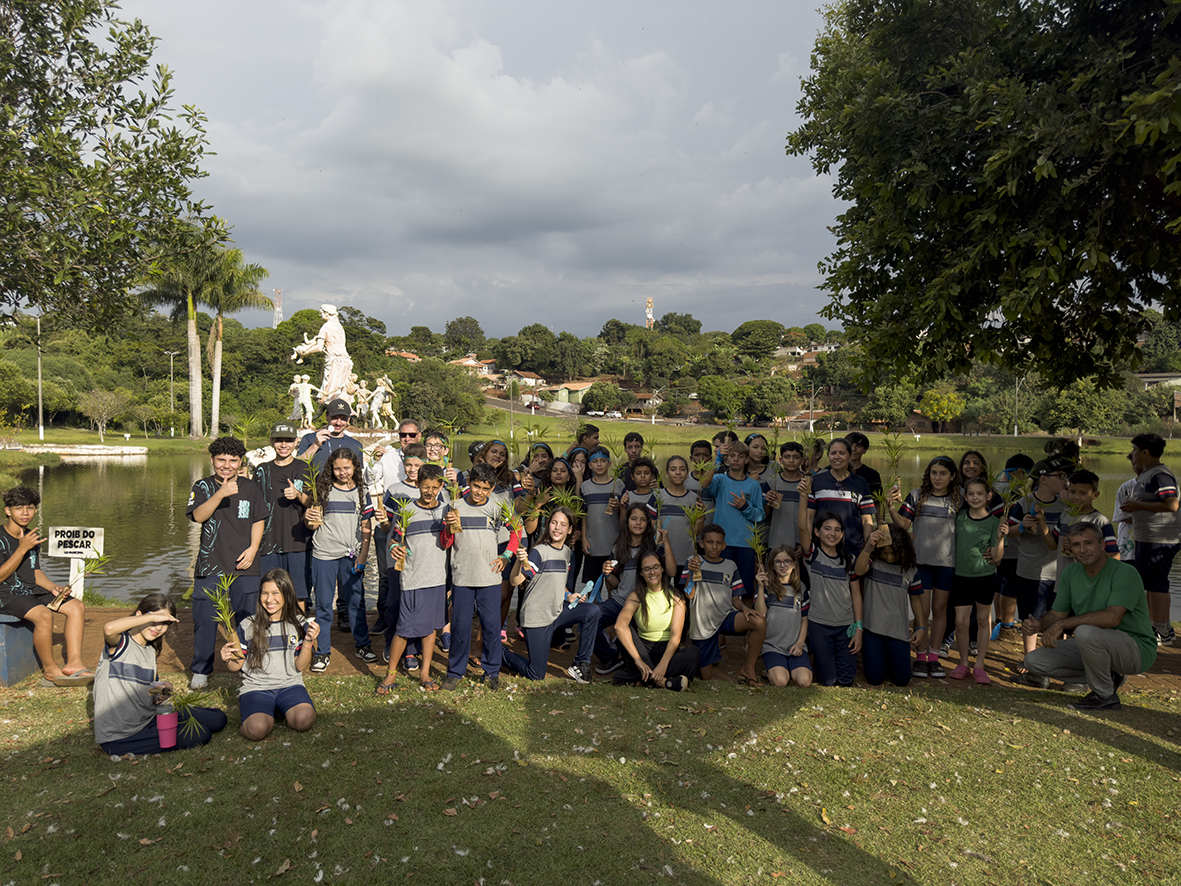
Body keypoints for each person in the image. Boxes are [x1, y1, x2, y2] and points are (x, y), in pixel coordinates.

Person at [1022, 522, 1158, 711]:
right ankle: (1110, 677)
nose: (1083, 549)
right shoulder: (1071, 572)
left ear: (1102, 544)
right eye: (1076, 545)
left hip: (1136, 649)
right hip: (1096, 643)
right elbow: (1057, 613)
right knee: (1034, 661)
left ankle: (1104, 696)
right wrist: (1039, 624)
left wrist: (1062, 624)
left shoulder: (1125, 572)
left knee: (1084, 631)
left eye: (1088, 543)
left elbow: (1112, 618)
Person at [95, 593, 227, 755]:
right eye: (155, 621)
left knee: (218, 718)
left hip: (149, 718)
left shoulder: (150, 650)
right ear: (139, 616)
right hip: (121, 736)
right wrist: (152, 616)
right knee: (201, 734)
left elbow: (148, 692)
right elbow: (109, 629)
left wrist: (162, 690)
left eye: (164, 623)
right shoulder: (121, 643)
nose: (158, 627)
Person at [186, 436, 265, 690]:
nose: (227, 465)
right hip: (211, 564)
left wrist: (253, 549)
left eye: (233, 460)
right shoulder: (202, 487)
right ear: (212, 460)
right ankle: (201, 669)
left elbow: (258, 519)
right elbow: (198, 516)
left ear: (240, 461)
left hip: (245, 564)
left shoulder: (251, 487)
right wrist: (221, 493)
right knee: (205, 618)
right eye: (222, 460)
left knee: (249, 619)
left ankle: (249, 666)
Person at [0, 486, 91, 686]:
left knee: (77, 607)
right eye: (19, 508)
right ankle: (50, 671)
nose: (25, 513)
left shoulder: (31, 537)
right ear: (8, 511)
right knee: (44, 615)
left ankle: (74, 664)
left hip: (30, 589)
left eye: (30, 508)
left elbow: (35, 573)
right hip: (6, 593)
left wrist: (52, 587)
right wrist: (22, 548)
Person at [441, 462, 519, 691]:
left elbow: (517, 530)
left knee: (492, 627)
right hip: (463, 577)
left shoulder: (498, 505)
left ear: (492, 488)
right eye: (476, 487)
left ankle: (492, 671)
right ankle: (455, 671)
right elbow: (446, 541)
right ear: (468, 483)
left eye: (485, 489)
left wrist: (506, 555)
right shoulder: (454, 506)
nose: (479, 492)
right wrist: (447, 527)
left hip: (490, 578)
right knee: (460, 627)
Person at [500, 508, 600, 683]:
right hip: (536, 617)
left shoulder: (567, 552)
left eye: (563, 524)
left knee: (592, 611)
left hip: (557, 612)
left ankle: (581, 665)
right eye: (554, 522)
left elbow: (557, 582)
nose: (557, 528)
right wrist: (518, 560)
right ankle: (498, 652)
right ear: (548, 525)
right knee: (536, 674)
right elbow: (516, 581)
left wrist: (569, 595)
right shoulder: (539, 552)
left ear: (570, 530)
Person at [221, 568, 318, 740]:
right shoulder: (247, 625)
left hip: (290, 684)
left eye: (275, 593)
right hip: (257, 687)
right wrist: (228, 658)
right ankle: (264, 712)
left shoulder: (299, 623)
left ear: (287, 594)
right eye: (264, 593)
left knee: (303, 720)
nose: (269, 599)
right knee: (256, 730)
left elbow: (300, 665)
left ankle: (280, 708)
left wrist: (309, 641)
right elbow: (237, 665)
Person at [377, 464, 450, 693]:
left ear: (440, 486)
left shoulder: (447, 510)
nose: (430, 491)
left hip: (437, 578)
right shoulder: (406, 510)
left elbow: (449, 542)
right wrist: (395, 548)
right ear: (418, 485)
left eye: (434, 487)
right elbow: (394, 539)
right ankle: (390, 675)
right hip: (413, 578)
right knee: (404, 628)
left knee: (430, 628)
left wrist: (450, 527)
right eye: (425, 486)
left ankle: (425, 673)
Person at [888, 455, 960, 678]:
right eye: (934, 473)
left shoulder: (959, 499)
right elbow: (904, 524)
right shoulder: (917, 495)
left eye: (943, 473)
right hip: (920, 562)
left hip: (946, 563)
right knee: (923, 612)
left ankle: (935, 657)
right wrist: (890, 507)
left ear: (952, 476)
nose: (937, 478)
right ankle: (920, 656)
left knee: (940, 610)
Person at [305, 448, 374, 672]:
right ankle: (322, 651)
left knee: (356, 602)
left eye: (347, 468)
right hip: (324, 554)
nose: (342, 472)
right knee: (324, 605)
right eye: (337, 468)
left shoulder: (362, 492)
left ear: (355, 467)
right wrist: (309, 519)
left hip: (351, 555)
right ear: (330, 468)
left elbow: (366, 527)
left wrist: (363, 556)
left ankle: (362, 644)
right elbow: (312, 525)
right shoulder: (322, 491)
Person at [1007, 455, 1071, 681]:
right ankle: (1031, 661)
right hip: (1031, 570)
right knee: (1030, 616)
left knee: (1058, 618)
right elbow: (1010, 531)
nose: (1065, 480)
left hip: (1061, 572)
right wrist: (1023, 526)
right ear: (1043, 479)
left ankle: (1055, 660)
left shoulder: (1066, 505)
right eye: (1060, 476)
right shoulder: (1024, 502)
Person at [595, 503, 676, 673]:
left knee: (634, 635)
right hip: (619, 601)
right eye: (633, 519)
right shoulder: (618, 548)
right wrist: (607, 573)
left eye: (643, 519)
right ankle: (610, 656)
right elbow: (617, 584)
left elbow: (671, 571)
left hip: (644, 605)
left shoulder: (654, 547)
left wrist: (666, 542)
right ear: (627, 522)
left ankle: (627, 658)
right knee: (591, 617)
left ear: (648, 523)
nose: (638, 523)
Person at [684, 524, 767, 685]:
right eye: (709, 542)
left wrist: (745, 608)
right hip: (702, 624)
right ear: (702, 544)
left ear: (724, 545)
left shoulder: (730, 566)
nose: (714, 546)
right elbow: (689, 594)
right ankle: (702, 655)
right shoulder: (693, 562)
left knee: (759, 622)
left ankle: (749, 668)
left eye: (718, 543)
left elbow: (735, 598)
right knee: (705, 676)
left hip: (726, 616)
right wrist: (692, 574)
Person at [1121, 433, 1179, 646]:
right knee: (1150, 583)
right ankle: (1154, 625)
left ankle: (1161, 629)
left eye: (1135, 450)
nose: (1132, 454)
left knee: (1157, 584)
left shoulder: (1160, 475)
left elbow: (1172, 504)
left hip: (1160, 538)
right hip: (1148, 537)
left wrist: (1139, 506)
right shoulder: (1148, 474)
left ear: (1145, 452)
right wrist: (1134, 514)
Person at [797, 502, 863, 687]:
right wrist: (804, 496)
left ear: (842, 534)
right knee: (828, 680)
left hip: (845, 625)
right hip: (819, 624)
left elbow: (856, 595)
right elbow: (802, 526)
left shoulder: (849, 560)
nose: (832, 534)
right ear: (817, 532)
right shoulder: (812, 556)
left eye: (837, 530)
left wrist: (859, 629)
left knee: (846, 680)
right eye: (827, 529)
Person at [612, 552, 699, 690]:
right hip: (643, 649)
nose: (652, 572)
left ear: (662, 569)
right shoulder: (636, 596)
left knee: (692, 653)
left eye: (656, 567)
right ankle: (665, 682)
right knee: (624, 633)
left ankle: (642, 679)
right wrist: (639, 661)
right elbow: (619, 626)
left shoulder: (676, 597)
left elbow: (676, 637)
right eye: (647, 569)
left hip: (668, 651)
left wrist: (663, 665)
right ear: (641, 573)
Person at [949, 477, 1006, 683]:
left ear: (988, 496)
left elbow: (998, 558)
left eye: (980, 494)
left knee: (983, 620)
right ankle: (964, 662)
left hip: (985, 577)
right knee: (961, 622)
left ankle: (980, 664)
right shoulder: (959, 517)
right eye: (971, 494)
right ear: (965, 496)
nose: (975, 497)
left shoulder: (995, 523)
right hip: (961, 577)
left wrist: (1000, 538)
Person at [854, 525, 924, 687]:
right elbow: (858, 570)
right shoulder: (873, 562)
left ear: (904, 549)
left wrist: (921, 627)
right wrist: (869, 546)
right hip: (872, 630)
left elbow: (916, 600)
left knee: (902, 680)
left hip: (898, 631)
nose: (889, 556)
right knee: (875, 678)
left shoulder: (911, 570)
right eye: (885, 552)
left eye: (893, 552)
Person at [254, 422, 313, 608]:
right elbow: (253, 508)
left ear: (296, 442)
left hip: (299, 543)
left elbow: (316, 505)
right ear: (271, 441)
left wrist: (299, 495)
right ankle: (272, 635)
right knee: (270, 595)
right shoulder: (262, 470)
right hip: (267, 543)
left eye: (288, 440)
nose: (284, 445)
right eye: (279, 440)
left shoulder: (305, 469)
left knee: (298, 595)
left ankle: (299, 635)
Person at [696, 440, 766, 598]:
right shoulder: (720, 480)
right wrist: (718, 459)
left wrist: (745, 507)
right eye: (732, 456)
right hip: (722, 544)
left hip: (745, 544)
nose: (736, 459)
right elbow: (704, 483)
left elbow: (760, 515)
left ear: (747, 459)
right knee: (723, 587)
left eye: (740, 456)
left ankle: (745, 619)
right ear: (727, 460)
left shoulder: (753, 485)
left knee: (746, 588)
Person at [753, 545, 812, 687]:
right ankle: (774, 670)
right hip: (772, 646)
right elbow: (761, 614)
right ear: (772, 565)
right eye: (778, 562)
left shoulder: (801, 588)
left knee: (804, 682)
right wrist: (761, 587)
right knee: (780, 682)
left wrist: (799, 643)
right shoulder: (767, 587)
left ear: (793, 564)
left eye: (787, 561)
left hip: (794, 645)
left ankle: (789, 668)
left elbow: (804, 619)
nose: (783, 565)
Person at [803, 438, 875, 554]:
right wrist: (808, 547)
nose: (837, 457)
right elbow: (809, 517)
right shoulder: (816, 481)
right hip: (822, 549)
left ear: (850, 456)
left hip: (852, 549)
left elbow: (866, 520)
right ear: (828, 456)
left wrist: (867, 549)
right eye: (833, 453)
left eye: (842, 453)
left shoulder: (860, 483)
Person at [580, 446, 624, 583]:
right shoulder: (585, 487)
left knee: (613, 585)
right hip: (593, 545)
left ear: (609, 464)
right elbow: (583, 514)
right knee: (591, 585)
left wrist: (619, 508)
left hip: (613, 545)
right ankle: (592, 605)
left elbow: (624, 514)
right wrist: (584, 538)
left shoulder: (618, 485)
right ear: (589, 465)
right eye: (595, 461)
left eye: (603, 461)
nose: (599, 464)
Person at [657, 456, 701, 589]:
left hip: (685, 555)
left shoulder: (693, 498)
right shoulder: (658, 496)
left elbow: (696, 531)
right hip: (661, 555)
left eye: (682, 469)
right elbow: (651, 525)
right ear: (666, 473)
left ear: (687, 474)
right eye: (673, 469)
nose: (677, 472)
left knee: (682, 597)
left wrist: (701, 515)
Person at [296, 398, 363, 471]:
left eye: (343, 419)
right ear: (327, 416)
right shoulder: (309, 439)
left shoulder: (356, 445)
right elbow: (296, 465)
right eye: (334, 418)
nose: (338, 423)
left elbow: (357, 475)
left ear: (348, 419)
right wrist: (315, 445)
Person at [764, 441, 806, 553]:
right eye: (787, 457)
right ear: (780, 460)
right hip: (777, 541)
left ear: (802, 460)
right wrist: (766, 500)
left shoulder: (808, 483)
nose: (791, 461)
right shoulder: (772, 482)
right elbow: (766, 514)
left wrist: (806, 543)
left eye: (796, 457)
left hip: (801, 543)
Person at [846, 432, 883, 496]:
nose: (853, 449)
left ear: (865, 450)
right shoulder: (832, 470)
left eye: (858, 446)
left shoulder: (872, 475)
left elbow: (877, 502)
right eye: (850, 445)